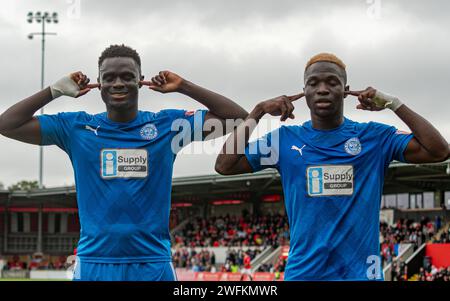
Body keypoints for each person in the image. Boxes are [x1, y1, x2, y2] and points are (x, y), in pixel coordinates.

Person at [0, 44, 247, 281]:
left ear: (141, 80)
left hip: (152, 264)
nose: (118, 83)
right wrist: (54, 90)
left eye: (127, 76)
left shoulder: (168, 126)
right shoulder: (75, 127)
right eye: (109, 78)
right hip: (93, 264)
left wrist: (184, 87)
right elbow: (7, 124)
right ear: (99, 83)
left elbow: (238, 118)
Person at [215, 53, 449, 280]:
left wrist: (393, 103)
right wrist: (257, 112)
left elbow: (439, 150)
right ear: (303, 92)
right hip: (304, 274)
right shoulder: (282, 140)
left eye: (332, 82)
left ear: (346, 90)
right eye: (313, 83)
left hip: (361, 274)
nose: (322, 89)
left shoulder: (374, 137)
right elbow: (225, 165)